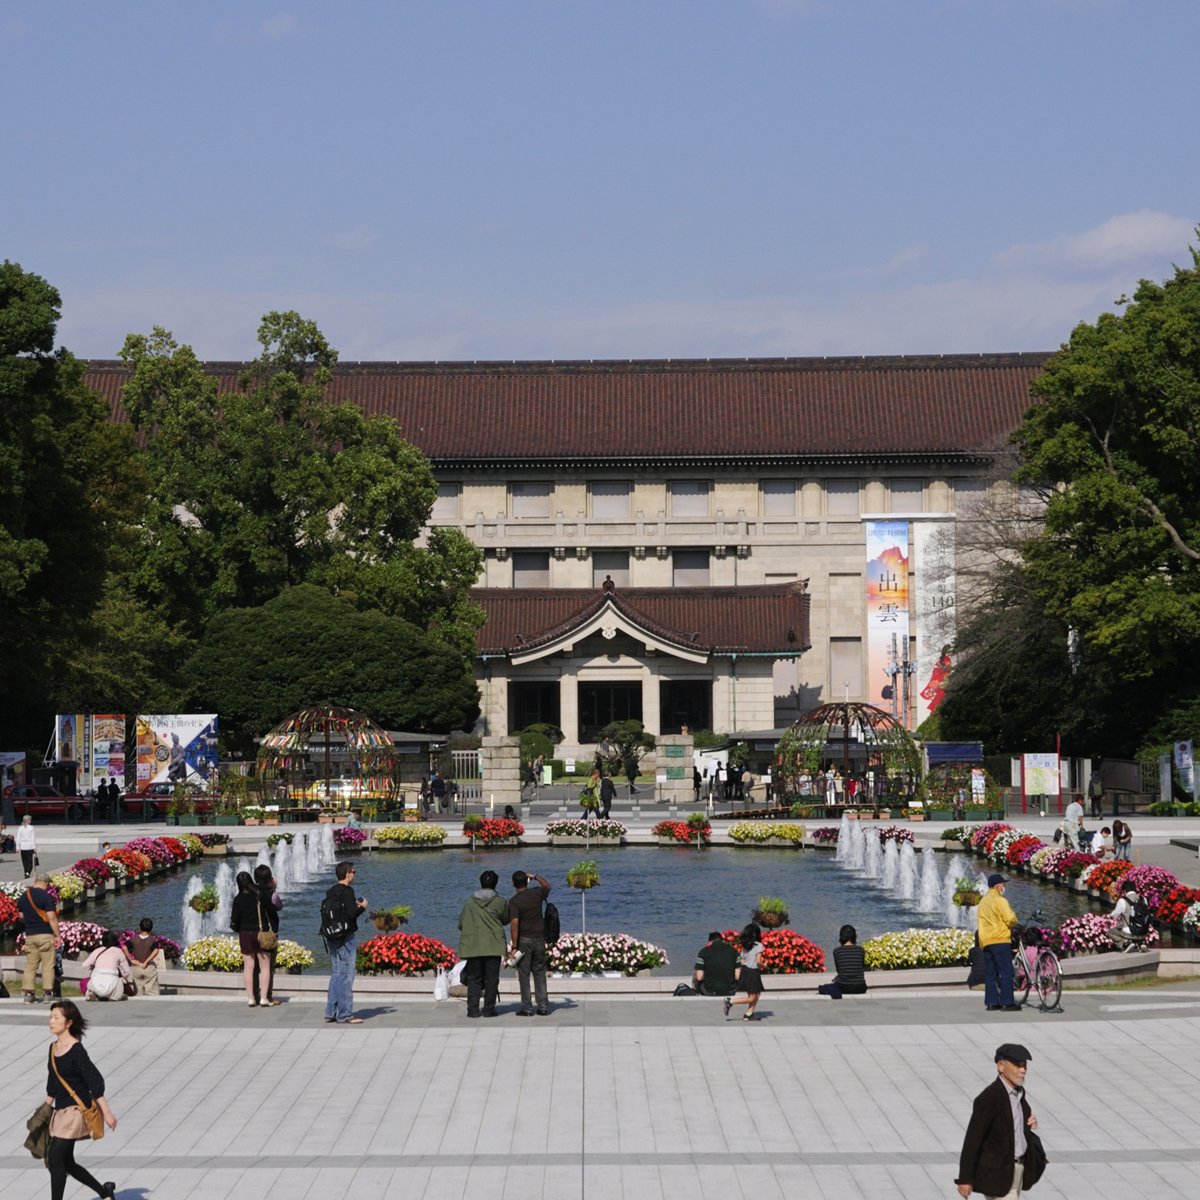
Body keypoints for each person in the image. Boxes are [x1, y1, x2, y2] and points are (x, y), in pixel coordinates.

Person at [44, 999, 118, 1200]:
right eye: (50, 1017)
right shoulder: (53, 1048)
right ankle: (105, 1193)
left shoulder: (76, 1050)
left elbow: (95, 1081)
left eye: (56, 1017)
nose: (51, 1021)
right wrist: (45, 1109)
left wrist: (107, 1113)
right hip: (60, 1112)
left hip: (76, 1111)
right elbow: (53, 1082)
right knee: (67, 1162)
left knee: (55, 1157)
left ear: (68, 1022)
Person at [956, 1043, 1041, 1199]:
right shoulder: (989, 1098)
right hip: (999, 1173)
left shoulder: (1019, 1094)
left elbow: (1013, 1126)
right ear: (1001, 1066)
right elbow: (973, 1140)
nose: (1023, 1070)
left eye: (1024, 1065)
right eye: (1017, 1065)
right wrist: (965, 1179)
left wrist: (1029, 1125)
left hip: (1018, 1170)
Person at [457, 868, 510, 1018]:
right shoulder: (500, 902)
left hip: (473, 946)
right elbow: (506, 919)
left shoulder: (470, 902)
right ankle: (489, 1009)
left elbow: (461, 923)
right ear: (495, 884)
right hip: (493, 945)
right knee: (491, 979)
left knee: (473, 979)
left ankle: (472, 1010)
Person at [322, 861, 368, 1023]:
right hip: (345, 937)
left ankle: (331, 1011)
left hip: (331, 936)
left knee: (336, 973)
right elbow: (351, 914)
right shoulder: (347, 891)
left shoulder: (331, 891)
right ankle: (345, 1014)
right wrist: (362, 907)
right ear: (347, 874)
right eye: (353, 872)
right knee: (347, 975)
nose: (355, 874)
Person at [508, 869, 552, 1016]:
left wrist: (514, 946)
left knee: (524, 974)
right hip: (539, 938)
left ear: (513, 884)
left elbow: (514, 925)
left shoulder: (514, 901)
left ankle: (527, 1007)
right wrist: (535, 876)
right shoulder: (537, 894)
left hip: (524, 940)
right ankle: (543, 1006)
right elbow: (547, 886)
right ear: (526, 881)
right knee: (539, 972)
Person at [977, 874, 1021, 1012]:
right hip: (1000, 940)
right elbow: (1010, 918)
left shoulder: (983, 902)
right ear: (997, 886)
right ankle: (1007, 1002)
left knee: (990, 973)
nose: (1004, 886)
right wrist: (1014, 923)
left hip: (987, 941)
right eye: (1003, 884)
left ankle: (991, 1003)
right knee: (1006, 971)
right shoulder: (1000, 900)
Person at [230, 870, 273, 1009]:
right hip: (261, 933)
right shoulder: (259, 895)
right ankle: (264, 998)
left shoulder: (238, 899)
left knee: (248, 967)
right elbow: (270, 910)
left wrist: (238, 928)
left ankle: (250, 998)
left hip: (245, 933)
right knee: (265, 967)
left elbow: (234, 920)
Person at [20, 871, 59, 1004]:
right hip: (45, 935)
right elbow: (52, 918)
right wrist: (58, 935)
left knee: (30, 966)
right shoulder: (46, 897)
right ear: (46, 883)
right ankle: (47, 994)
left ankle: (28, 995)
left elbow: (21, 916)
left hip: (30, 936)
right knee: (48, 965)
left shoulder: (24, 896)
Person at [252, 864, 283, 1005]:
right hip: (268, 934)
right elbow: (279, 906)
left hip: (252, 932)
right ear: (270, 878)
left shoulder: (251, 893)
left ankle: (255, 995)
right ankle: (267, 996)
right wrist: (274, 889)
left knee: (254, 967)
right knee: (268, 967)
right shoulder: (272, 895)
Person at [723, 923, 765, 1021]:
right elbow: (758, 961)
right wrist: (764, 965)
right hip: (752, 972)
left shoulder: (745, 946)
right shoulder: (759, 945)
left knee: (757, 994)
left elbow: (742, 961)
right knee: (752, 997)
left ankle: (749, 1014)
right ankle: (730, 1001)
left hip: (746, 971)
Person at [818, 924, 868, 999]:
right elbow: (861, 967)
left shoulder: (837, 951)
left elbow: (839, 970)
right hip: (861, 987)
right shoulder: (860, 950)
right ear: (854, 936)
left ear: (841, 936)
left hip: (844, 987)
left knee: (824, 987)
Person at [81, 931, 131, 1002]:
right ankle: (114, 996)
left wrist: (93, 968)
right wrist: (123, 978)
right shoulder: (118, 951)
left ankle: (95, 994)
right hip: (112, 980)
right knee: (118, 984)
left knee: (91, 984)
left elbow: (84, 965)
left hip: (96, 980)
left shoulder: (97, 951)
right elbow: (127, 971)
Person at [692, 931, 738, 997]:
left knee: (695, 975)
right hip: (729, 991)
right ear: (722, 940)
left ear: (710, 941)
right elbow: (737, 976)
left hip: (709, 991)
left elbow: (699, 977)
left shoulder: (703, 952)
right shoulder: (733, 951)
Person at [124, 918, 162, 995]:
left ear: (140, 927)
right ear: (151, 928)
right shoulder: (152, 940)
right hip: (148, 967)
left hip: (137, 967)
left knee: (138, 992)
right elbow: (156, 950)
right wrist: (146, 962)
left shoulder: (134, 939)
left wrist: (131, 960)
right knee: (152, 992)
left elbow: (124, 947)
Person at [1110, 884, 1150, 952]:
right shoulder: (1143, 899)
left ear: (1124, 891)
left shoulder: (1122, 900)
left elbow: (1115, 915)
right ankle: (1141, 943)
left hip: (1130, 930)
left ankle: (1125, 944)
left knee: (1110, 932)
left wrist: (1110, 914)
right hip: (1144, 930)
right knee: (1138, 926)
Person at [17, 813, 37, 878]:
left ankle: (26, 872)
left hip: (23, 847)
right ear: (28, 820)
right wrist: (34, 847)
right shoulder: (31, 828)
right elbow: (33, 838)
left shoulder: (20, 828)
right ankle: (28, 872)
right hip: (30, 846)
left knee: (24, 861)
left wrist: (17, 847)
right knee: (30, 861)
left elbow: (18, 838)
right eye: (30, 819)